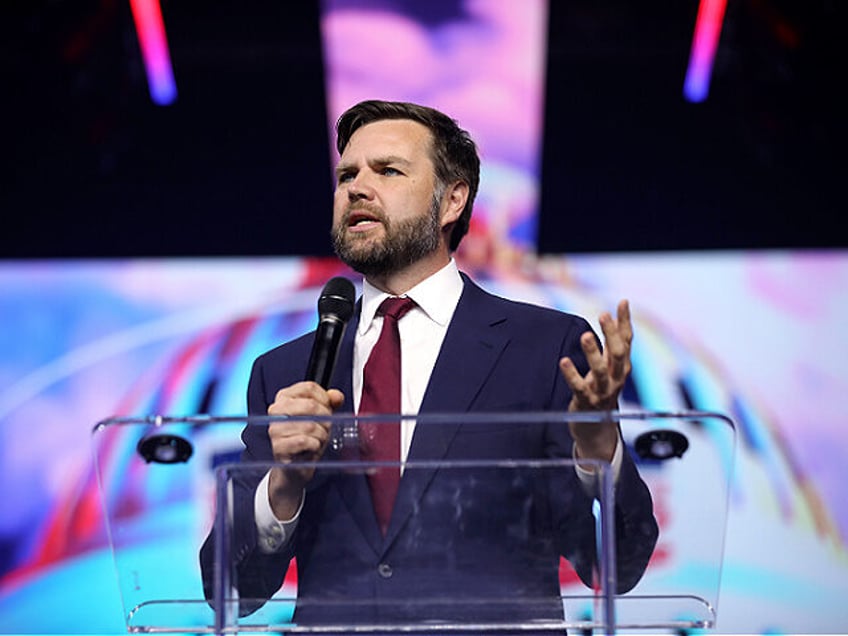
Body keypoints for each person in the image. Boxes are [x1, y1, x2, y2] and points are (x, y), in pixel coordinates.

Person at [200, 100, 658, 629]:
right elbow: (226, 589)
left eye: (388, 170)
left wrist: (599, 451)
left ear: (453, 200)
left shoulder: (547, 348)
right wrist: (283, 486)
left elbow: (617, 566)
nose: (356, 187)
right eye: (347, 174)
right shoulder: (284, 372)